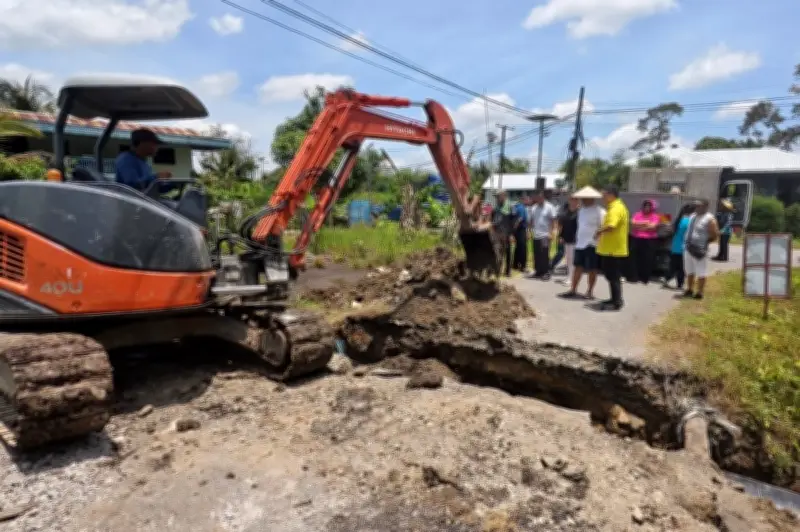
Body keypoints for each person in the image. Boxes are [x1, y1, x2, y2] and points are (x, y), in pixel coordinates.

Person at [560, 186, 605, 299]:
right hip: (580, 243)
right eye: (582, 197)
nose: (583, 199)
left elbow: (603, 227)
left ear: (592, 198)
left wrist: (598, 238)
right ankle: (573, 289)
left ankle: (589, 291)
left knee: (592, 269)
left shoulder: (599, 211)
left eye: (586, 197)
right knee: (577, 267)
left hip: (592, 244)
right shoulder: (581, 211)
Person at [595, 185, 630, 311]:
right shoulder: (615, 206)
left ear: (611, 195)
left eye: (604, 195)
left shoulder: (615, 208)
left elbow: (611, 226)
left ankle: (617, 302)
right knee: (611, 276)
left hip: (613, 250)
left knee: (613, 276)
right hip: (611, 248)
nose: (603, 197)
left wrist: (598, 231)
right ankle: (614, 298)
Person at [683, 199, 719, 300]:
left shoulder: (710, 219)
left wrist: (705, 243)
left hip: (699, 249)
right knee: (689, 270)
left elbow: (715, 235)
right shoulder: (693, 216)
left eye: (699, 206)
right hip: (689, 247)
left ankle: (700, 292)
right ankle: (689, 289)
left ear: (706, 207)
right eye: (696, 206)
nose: (697, 207)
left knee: (701, 271)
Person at [662, 203, 695, 290]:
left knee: (673, 266)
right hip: (683, 248)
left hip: (675, 247)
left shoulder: (679, 220)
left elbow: (672, 230)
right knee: (682, 268)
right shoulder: (689, 222)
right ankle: (680, 284)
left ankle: (666, 279)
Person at [527, 190, 557, 279]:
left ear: (543, 197)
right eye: (538, 198)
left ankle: (546, 272)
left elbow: (553, 220)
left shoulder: (549, 207)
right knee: (536, 254)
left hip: (545, 235)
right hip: (536, 234)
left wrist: (552, 233)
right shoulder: (534, 208)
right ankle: (538, 271)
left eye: (541, 197)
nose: (539, 199)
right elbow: (531, 221)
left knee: (544, 253)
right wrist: (528, 231)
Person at [629, 199, 660, 284]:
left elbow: (653, 226)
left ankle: (644, 278)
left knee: (647, 260)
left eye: (649, 206)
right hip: (637, 238)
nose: (647, 207)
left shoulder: (655, 216)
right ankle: (634, 277)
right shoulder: (637, 214)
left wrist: (639, 225)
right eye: (645, 205)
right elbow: (632, 223)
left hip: (649, 240)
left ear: (652, 207)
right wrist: (646, 223)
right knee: (635, 259)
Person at [551, 197, 579, 284]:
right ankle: (569, 277)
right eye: (572, 200)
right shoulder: (565, 213)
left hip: (576, 239)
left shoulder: (580, 213)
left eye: (575, 200)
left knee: (573, 259)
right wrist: (560, 236)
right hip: (566, 238)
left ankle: (571, 278)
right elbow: (561, 226)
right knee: (568, 259)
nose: (573, 202)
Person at [491, 190, 514, 277]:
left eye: (498, 196)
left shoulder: (509, 207)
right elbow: (492, 220)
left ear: (504, 196)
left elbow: (513, 221)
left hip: (506, 233)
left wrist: (511, 234)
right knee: (497, 251)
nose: (497, 198)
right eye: (496, 197)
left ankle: (508, 271)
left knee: (508, 252)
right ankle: (498, 270)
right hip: (497, 233)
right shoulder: (496, 208)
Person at [512, 196, 529, 271]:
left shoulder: (515, 207)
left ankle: (515, 264)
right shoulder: (522, 208)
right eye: (527, 200)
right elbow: (520, 219)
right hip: (521, 229)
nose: (528, 201)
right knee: (523, 248)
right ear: (523, 200)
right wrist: (515, 227)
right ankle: (523, 266)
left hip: (517, 230)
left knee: (517, 247)